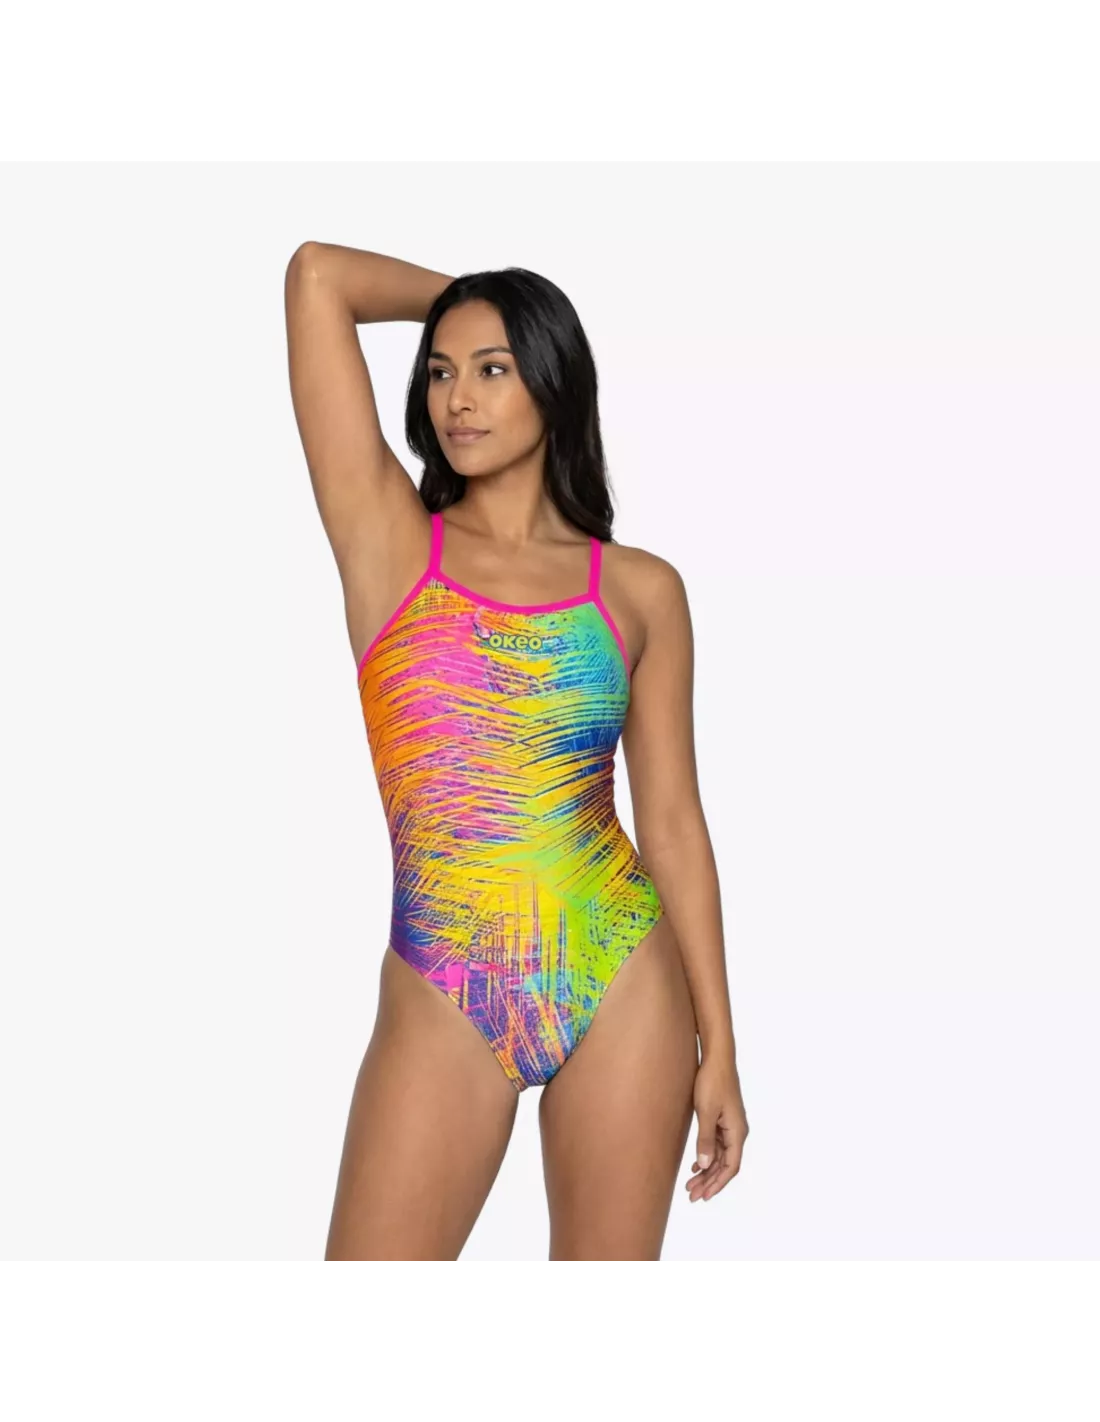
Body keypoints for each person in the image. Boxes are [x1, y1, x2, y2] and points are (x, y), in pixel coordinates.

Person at [284, 243, 749, 1263]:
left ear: (550, 377)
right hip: (446, 976)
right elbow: (317, 276)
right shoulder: (388, 541)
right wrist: (467, 298)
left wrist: (719, 1046)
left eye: (493, 367)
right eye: (440, 370)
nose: (457, 397)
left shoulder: (639, 590)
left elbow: (672, 823)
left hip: (620, 968)